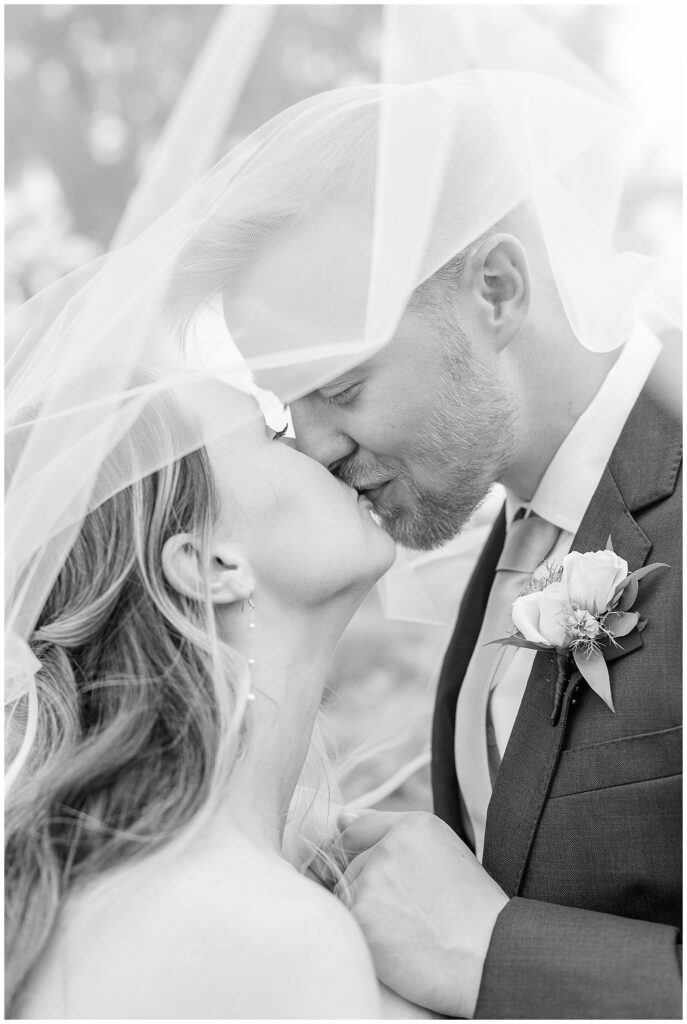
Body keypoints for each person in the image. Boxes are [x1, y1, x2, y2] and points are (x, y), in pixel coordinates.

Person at [291, 203, 682, 1017]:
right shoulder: (508, 554)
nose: (313, 447)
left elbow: (477, 939)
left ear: (498, 290)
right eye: (282, 409)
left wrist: (490, 951)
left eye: (340, 387)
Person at [5, 379, 406, 1019]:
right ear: (209, 565)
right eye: (273, 435)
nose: (320, 451)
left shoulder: (126, 886)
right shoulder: (263, 932)